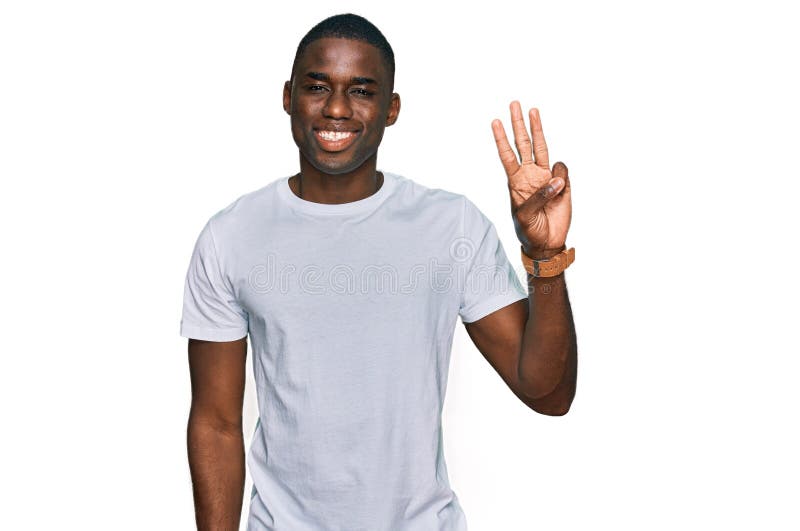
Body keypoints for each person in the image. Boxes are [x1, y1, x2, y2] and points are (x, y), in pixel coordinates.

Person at [180, 12, 577, 531]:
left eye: (361, 90)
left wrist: (546, 259)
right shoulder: (231, 236)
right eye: (318, 86)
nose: (337, 108)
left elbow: (548, 393)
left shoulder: (449, 225)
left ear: (391, 109)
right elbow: (215, 424)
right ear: (287, 97)